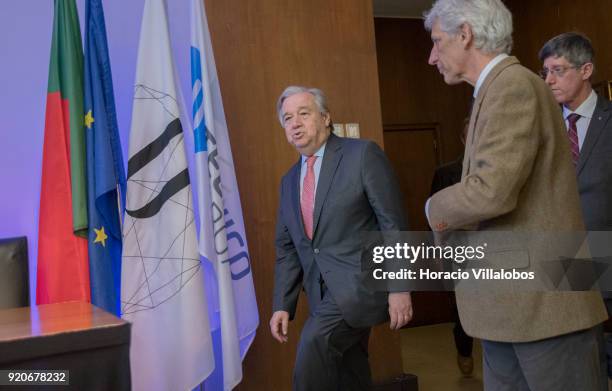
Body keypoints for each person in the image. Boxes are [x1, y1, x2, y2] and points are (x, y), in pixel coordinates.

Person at [423, 0, 608, 389]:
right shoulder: (495, 89)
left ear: (466, 34)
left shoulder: (513, 86)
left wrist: (432, 206)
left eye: (437, 42)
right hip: (511, 307)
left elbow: (491, 192)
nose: (431, 56)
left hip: (544, 310)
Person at [269, 86, 412, 391]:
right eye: (287, 118)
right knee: (350, 372)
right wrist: (282, 303)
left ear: (325, 117)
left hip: (360, 285)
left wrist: (400, 287)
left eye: (303, 114)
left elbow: (393, 224)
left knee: (313, 347)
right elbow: (287, 249)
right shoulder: (288, 181)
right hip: (320, 293)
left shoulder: (361, 155)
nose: (294, 123)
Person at [539, 32, 612, 379]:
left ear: (586, 70)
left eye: (558, 70)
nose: (549, 80)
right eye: (545, 72)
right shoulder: (541, 126)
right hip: (564, 262)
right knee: (582, 363)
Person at [429, 117, 474, 376]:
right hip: (459, 252)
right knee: (461, 309)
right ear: (462, 139)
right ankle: (464, 351)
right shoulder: (446, 172)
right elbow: (436, 218)